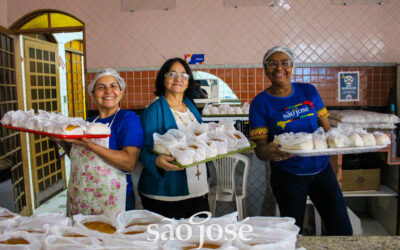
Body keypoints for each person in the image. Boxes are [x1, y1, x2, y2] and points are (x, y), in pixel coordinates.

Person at [249, 46, 353, 235]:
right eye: (272, 63)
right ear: (265, 69)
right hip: (288, 176)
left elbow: (327, 130)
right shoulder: (260, 103)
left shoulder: (309, 92)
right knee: (293, 233)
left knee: (342, 229)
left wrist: (338, 150)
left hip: (322, 171)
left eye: (285, 62)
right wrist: (270, 152)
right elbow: (260, 150)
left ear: (292, 66)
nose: (279, 68)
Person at [58, 68, 143, 217]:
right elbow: (82, 160)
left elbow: (129, 162)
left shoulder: (127, 119)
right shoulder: (88, 123)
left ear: (121, 92)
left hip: (113, 200)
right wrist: (61, 141)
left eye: (113, 86)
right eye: (101, 87)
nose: (108, 91)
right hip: (82, 199)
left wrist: (91, 145)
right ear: (92, 94)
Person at [139, 58, 209, 219]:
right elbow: (141, 150)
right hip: (167, 194)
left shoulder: (190, 106)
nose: (179, 79)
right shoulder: (153, 112)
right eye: (172, 74)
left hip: (199, 189)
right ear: (163, 79)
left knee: (198, 241)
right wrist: (156, 161)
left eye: (184, 75)